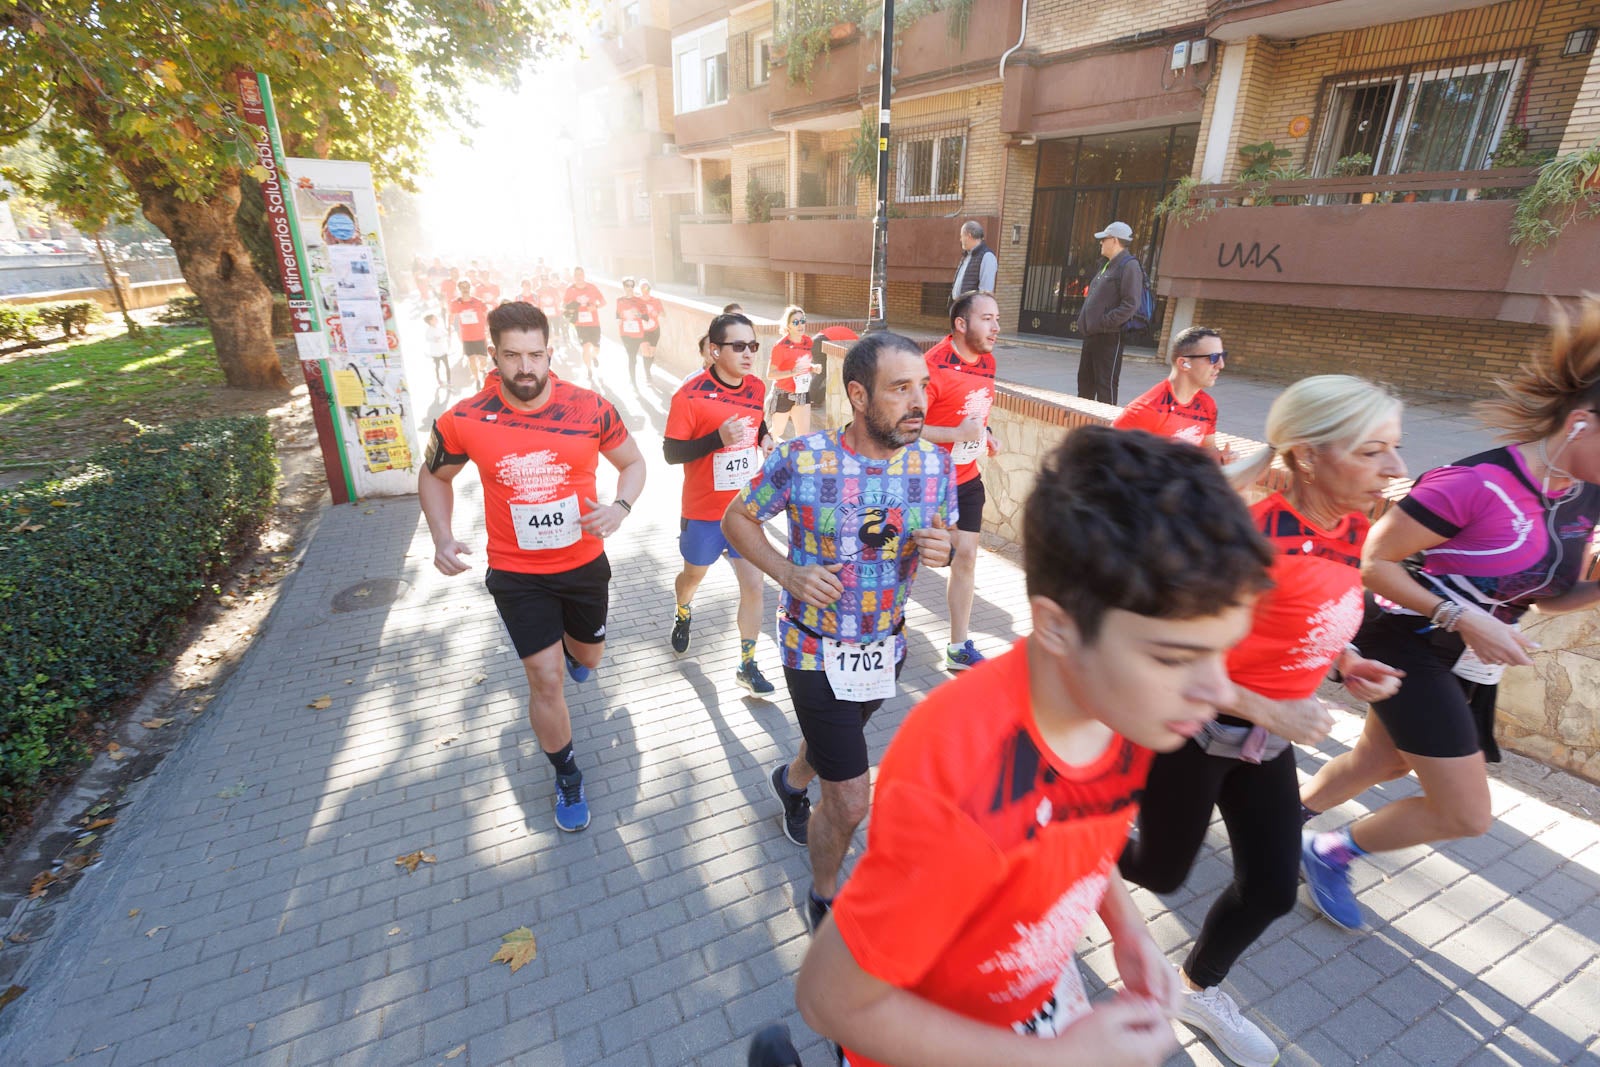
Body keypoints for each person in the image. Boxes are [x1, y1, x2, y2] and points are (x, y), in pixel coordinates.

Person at [793, 426, 1276, 1067]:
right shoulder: (962, 785)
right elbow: (829, 999)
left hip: (1031, 1001)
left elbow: (1075, 826)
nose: (1215, 692)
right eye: (1176, 656)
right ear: (1056, 626)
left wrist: (1127, 930)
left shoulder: (1126, 707)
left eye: (1225, 649)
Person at [1119, 375, 1408, 1067]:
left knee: (1274, 887)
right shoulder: (1249, 535)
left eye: (1395, 448)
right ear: (1306, 455)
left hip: (1264, 739)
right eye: (1374, 452)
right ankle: (1063, 844)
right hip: (1191, 729)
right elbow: (1168, 649)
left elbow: (1305, 611)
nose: (1396, 470)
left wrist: (1344, 658)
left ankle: (1196, 988)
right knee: (1159, 871)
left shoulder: (1353, 522)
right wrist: (1272, 705)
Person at [1299, 301, 1600, 931]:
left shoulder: (1582, 496)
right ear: (1579, 425)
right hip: (1406, 633)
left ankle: (1280, 821)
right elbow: (1373, 560)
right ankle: (1329, 850)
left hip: (1468, 655)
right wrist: (1466, 619)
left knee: (1381, 761)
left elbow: (1547, 593)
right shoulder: (1474, 482)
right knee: (1466, 814)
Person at [723, 332, 954, 929]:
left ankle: (788, 780)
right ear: (858, 395)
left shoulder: (935, 464)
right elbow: (737, 518)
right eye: (900, 388)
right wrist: (788, 572)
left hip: (886, 648)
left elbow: (943, 538)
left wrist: (942, 548)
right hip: (811, 647)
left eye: (922, 386)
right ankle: (825, 898)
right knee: (850, 797)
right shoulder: (801, 458)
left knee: (836, 747)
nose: (918, 401)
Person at [418, 301, 646, 833]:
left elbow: (634, 463)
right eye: (513, 355)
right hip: (517, 574)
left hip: (584, 563)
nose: (526, 368)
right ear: (492, 354)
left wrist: (619, 508)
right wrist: (442, 537)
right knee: (544, 680)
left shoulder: (589, 408)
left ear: (551, 352)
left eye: (536, 355)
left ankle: (577, 650)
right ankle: (567, 774)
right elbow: (434, 476)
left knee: (587, 657)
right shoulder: (465, 418)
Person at [665, 312, 778, 694]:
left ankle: (747, 664)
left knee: (754, 586)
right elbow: (671, 452)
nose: (749, 353)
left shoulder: (757, 388)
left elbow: (756, 422)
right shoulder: (689, 394)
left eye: (753, 346)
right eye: (739, 346)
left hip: (745, 511)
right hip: (703, 514)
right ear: (714, 350)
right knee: (692, 577)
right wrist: (716, 439)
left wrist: (764, 438)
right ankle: (683, 609)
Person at [918, 291, 1002, 671]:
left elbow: (973, 414)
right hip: (924, 482)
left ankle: (958, 646)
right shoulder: (930, 367)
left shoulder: (988, 364)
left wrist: (986, 434)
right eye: (987, 318)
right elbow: (906, 427)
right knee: (906, 562)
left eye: (997, 319)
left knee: (965, 557)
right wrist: (956, 433)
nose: (996, 327)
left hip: (966, 478)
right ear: (961, 324)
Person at [1114, 325, 1232, 461]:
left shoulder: (1207, 405)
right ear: (1184, 363)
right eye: (1213, 357)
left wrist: (1221, 459)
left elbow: (1208, 448)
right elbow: (1106, 458)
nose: (1221, 365)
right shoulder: (1147, 410)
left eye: (1223, 356)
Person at [1074, 221, 1145, 405]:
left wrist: (1104, 322)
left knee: (1105, 387)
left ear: (1114, 240)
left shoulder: (1129, 266)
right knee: (1085, 383)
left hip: (1109, 337)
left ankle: (1107, 430)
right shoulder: (1106, 264)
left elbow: (1131, 304)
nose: (1100, 243)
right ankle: (1084, 427)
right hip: (1092, 335)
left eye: (1103, 239)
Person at [767, 305, 814, 440]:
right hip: (783, 393)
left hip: (802, 392)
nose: (800, 325)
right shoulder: (780, 346)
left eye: (802, 321)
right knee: (778, 431)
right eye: (795, 322)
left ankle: (798, 460)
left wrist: (812, 367)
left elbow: (802, 364)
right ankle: (766, 448)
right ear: (788, 325)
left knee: (803, 436)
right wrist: (792, 372)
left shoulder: (808, 342)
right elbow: (770, 374)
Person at [564, 266, 606, 387]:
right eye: (576, 274)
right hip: (580, 324)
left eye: (580, 274)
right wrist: (569, 310)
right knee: (586, 347)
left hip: (594, 323)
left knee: (596, 348)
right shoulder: (570, 290)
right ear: (574, 276)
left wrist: (595, 307)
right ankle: (589, 369)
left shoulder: (592, 287)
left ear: (584, 275)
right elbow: (564, 304)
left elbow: (603, 302)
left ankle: (594, 356)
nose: (578, 277)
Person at [448, 279, 491, 384]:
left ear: (470, 288)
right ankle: (477, 380)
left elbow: (487, 314)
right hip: (467, 337)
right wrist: (449, 329)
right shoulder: (455, 303)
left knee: (483, 361)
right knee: (471, 360)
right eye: (462, 287)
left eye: (467, 286)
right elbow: (451, 317)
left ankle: (482, 369)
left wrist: (489, 328)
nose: (465, 289)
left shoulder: (478, 302)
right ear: (459, 289)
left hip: (480, 336)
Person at [951, 220, 997, 302]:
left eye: (962, 236)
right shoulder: (966, 255)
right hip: (959, 307)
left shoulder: (987, 257)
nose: (960, 240)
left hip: (971, 310)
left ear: (969, 235)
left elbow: (986, 293)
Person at [615, 277, 648, 389]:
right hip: (624, 333)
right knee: (631, 355)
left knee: (633, 356)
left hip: (637, 333)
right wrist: (619, 319)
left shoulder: (639, 300)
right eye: (627, 285)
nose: (630, 288)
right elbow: (617, 314)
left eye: (631, 286)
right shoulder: (619, 300)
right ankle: (633, 380)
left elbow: (646, 317)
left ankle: (632, 374)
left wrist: (638, 314)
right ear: (623, 287)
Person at [638, 279, 665, 383]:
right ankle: (647, 374)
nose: (645, 290)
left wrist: (656, 312)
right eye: (643, 288)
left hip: (654, 330)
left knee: (651, 353)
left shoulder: (656, 300)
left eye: (647, 287)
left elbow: (664, 314)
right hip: (642, 330)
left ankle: (648, 369)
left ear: (650, 288)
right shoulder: (637, 301)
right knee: (645, 351)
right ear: (640, 289)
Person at [424, 312, 450, 386]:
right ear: (430, 321)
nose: (437, 320)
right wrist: (434, 339)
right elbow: (427, 339)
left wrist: (446, 335)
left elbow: (445, 335)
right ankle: (439, 380)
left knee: (447, 366)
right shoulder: (429, 330)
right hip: (435, 353)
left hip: (443, 351)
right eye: (435, 319)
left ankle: (449, 380)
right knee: (437, 366)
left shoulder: (439, 328)